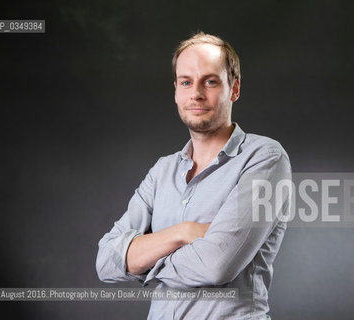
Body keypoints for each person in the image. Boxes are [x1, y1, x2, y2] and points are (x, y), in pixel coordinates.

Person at [96, 32, 292, 319]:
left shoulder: (264, 158)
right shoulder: (163, 171)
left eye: (210, 81)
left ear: (234, 89)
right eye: (186, 82)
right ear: (176, 91)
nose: (196, 93)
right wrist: (182, 232)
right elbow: (106, 262)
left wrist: (142, 262)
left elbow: (216, 265)